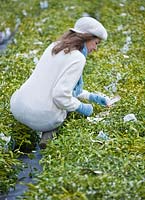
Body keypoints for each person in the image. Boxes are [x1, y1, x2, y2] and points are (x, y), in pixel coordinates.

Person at [10, 17, 110, 148]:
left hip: (18, 106)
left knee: (65, 101)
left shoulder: (55, 46)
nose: (96, 48)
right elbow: (61, 96)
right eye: (96, 43)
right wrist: (83, 108)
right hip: (40, 116)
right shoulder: (78, 58)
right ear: (86, 38)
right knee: (68, 108)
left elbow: (64, 88)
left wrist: (93, 97)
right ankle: (48, 135)